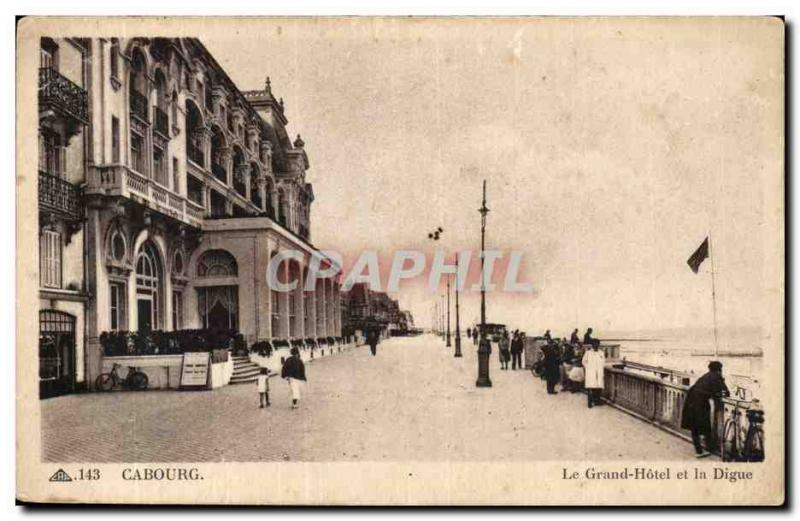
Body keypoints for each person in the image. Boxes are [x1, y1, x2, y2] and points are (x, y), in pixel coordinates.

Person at [681, 361, 729, 458]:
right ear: (719, 369)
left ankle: (700, 450)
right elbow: (725, 391)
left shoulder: (706, 375)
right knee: (704, 424)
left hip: (691, 399)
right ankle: (704, 449)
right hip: (700, 402)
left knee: (694, 426)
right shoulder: (716, 376)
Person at [582, 342, 605, 407]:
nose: (596, 346)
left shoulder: (601, 353)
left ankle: (597, 401)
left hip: (599, 372)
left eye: (597, 344)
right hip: (590, 372)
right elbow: (583, 361)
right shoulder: (588, 353)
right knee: (590, 387)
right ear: (592, 345)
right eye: (595, 344)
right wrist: (588, 367)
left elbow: (603, 361)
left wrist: (600, 368)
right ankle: (589, 402)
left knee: (598, 387)